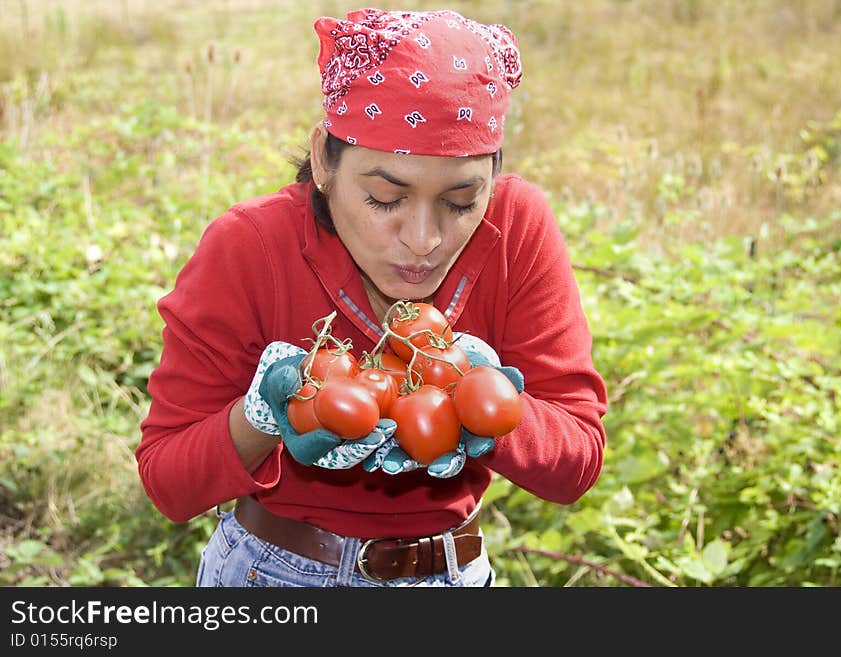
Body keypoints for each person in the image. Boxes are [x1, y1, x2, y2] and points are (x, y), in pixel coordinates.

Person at [136, 7, 608, 588]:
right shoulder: (251, 247)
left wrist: (485, 409)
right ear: (322, 160)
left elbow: (577, 463)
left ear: (494, 176)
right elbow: (168, 481)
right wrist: (264, 416)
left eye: (461, 202)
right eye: (386, 198)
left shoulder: (516, 230)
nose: (423, 240)